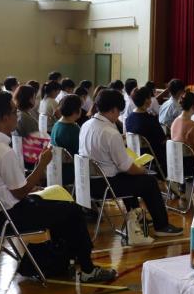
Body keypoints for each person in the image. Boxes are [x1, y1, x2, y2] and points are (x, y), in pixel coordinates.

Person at [0, 92, 116, 283]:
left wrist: (31, 187)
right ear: (4, 117)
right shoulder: (3, 151)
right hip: (10, 215)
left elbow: (4, 185)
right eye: (14, 112)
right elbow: (19, 192)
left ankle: (62, 262)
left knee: (59, 208)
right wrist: (41, 164)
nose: (17, 116)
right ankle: (87, 269)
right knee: (73, 211)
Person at [79, 89, 182, 243]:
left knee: (133, 178)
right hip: (106, 186)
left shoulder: (87, 125)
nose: (118, 116)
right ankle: (162, 226)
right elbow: (125, 166)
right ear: (113, 109)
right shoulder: (110, 132)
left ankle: (136, 216)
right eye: (117, 112)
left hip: (87, 183)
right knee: (149, 181)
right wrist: (142, 170)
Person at [125, 86, 168, 173]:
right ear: (146, 100)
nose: (151, 99)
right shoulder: (150, 119)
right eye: (149, 97)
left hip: (134, 155)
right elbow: (162, 140)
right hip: (151, 157)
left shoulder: (129, 118)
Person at [50, 94, 82, 185]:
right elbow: (80, 153)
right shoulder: (73, 129)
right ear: (76, 110)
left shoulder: (57, 124)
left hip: (56, 168)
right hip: (70, 171)